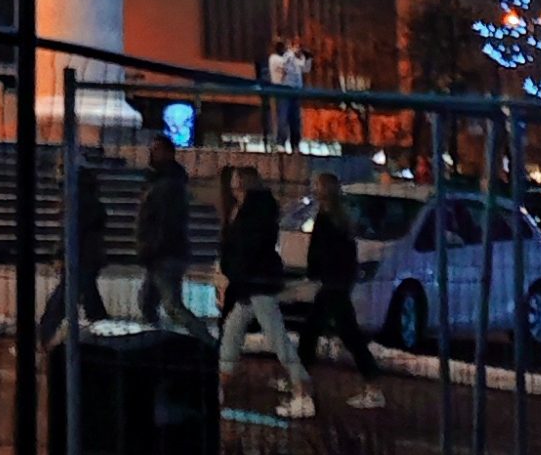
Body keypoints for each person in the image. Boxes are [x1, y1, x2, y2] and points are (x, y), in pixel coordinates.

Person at [219, 162, 314, 418]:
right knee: (232, 331)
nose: (232, 183)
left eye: (237, 178)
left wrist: (237, 272)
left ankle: (302, 391)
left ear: (244, 183)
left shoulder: (256, 210)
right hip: (249, 283)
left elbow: (249, 248)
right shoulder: (244, 209)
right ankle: (220, 384)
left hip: (256, 282)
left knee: (276, 337)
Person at [296, 172, 386, 406]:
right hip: (336, 282)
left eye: (317, 186)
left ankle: (373, 384)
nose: (314, 189)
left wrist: (317, 272)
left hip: (333, 284)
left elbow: (324, 252)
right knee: (318, 331)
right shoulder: (338, 218)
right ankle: (300, 376)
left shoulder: (329, 219)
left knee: (342, 333)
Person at [135, 133, 215, 343]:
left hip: (165, 252)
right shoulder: (161, 181)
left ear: (169, 153)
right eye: (152, 149)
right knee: (148, 301)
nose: (153, 154)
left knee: (171, 305)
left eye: (157, 150)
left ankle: (207, 341)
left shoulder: (168, 184)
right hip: (161, 251)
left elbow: (165, 221)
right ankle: (153, 341)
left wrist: (152, 248)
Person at [37, 159, 111, 344]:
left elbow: (71, 231)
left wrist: (60, 254)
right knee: (90, 302)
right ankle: (110, 338)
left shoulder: (77, 198)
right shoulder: (87, 196)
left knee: (60, 302)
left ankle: (42, 341)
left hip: (80, 258)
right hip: (88, 257)